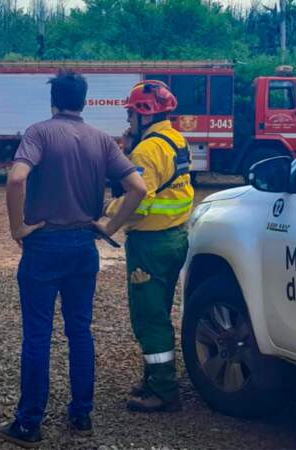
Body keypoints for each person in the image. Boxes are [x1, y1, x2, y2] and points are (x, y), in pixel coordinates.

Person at [0, 70, 147, 448]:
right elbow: (138, 188)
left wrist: (18, 228)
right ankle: (81, 415)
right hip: (84, 247)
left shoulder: (40, 132)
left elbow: (17, 179)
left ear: (54, 102)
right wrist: (109, 227)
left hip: (45, 245)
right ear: (83, 101)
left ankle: (29, 423)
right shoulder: (101, 140)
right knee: (79, 332)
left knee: (38, 335)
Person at [105, 80, 194, 413]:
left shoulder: (147, 149)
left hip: (151, 244)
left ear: (145, 113)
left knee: (149, 318)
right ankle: (154, 379)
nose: (128, 119)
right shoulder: (175, 139)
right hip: (175, 238)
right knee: (159, 309)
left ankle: (164, 390)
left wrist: (108, 216)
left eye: (130, 112)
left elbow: (138, 200)